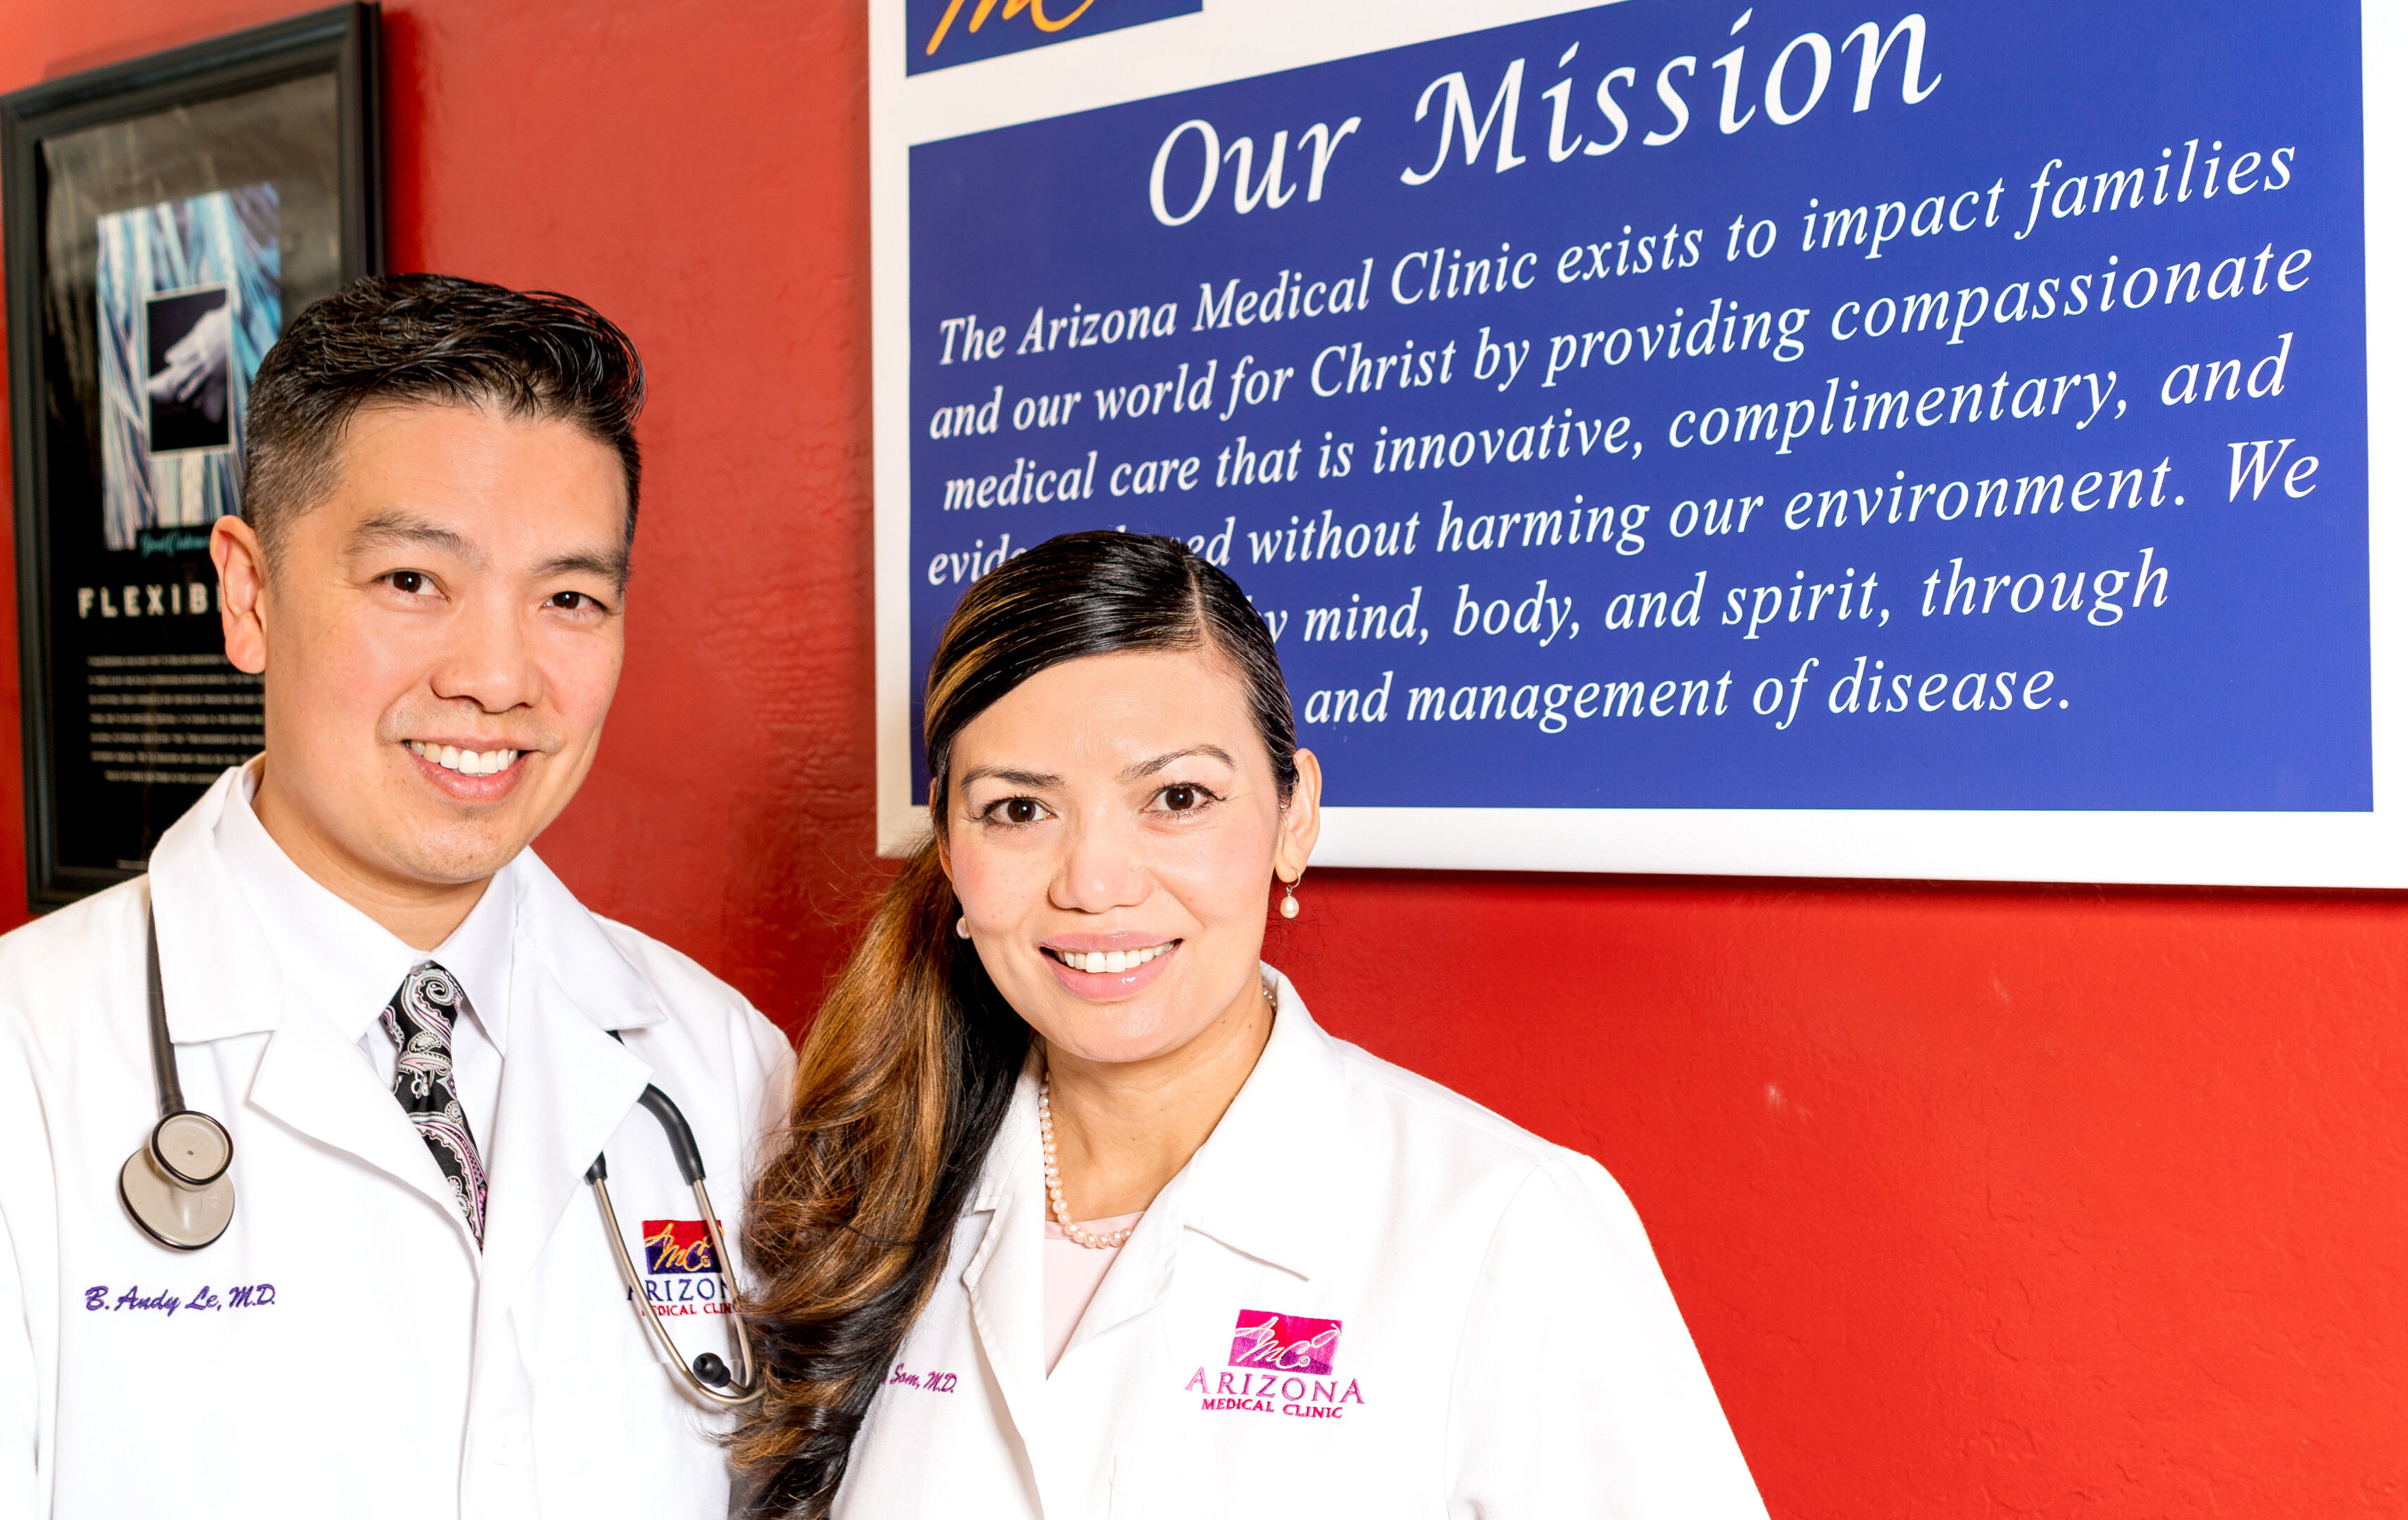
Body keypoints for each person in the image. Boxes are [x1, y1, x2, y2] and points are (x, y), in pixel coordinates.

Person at [0, 275, 791, 1516]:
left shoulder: (724, 1069)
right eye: (413, 580)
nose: (499, 674)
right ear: (249, 596)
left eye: (570, 597)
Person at [732, 530, 1768, 1519]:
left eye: (1178, 796)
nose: (1096, 882)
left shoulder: (1505, 1227)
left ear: (1295, 814)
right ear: (951, 847)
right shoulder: (853, 1202)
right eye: (1019, 808)